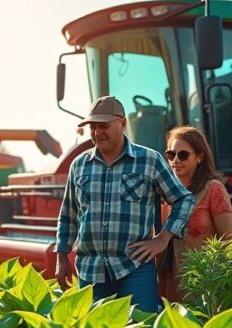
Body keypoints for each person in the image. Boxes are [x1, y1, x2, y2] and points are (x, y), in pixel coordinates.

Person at [55, 95, 195, 313]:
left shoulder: (150, 160)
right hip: (91, 273)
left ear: (122, 124)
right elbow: (68, 215)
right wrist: (61, 257)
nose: (96, 132)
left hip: (135, 270)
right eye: (92, 126)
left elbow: (183, 198)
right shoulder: (79, 165)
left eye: (104, 125)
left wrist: (163, 238)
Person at [159, 126, 232, 301]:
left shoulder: (213, 189)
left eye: (183, 155)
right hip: (175, 288)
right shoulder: (164, 195)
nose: (175, 160)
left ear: (199, 157)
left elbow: (229, 241)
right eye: (171, 154)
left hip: (209, 286)